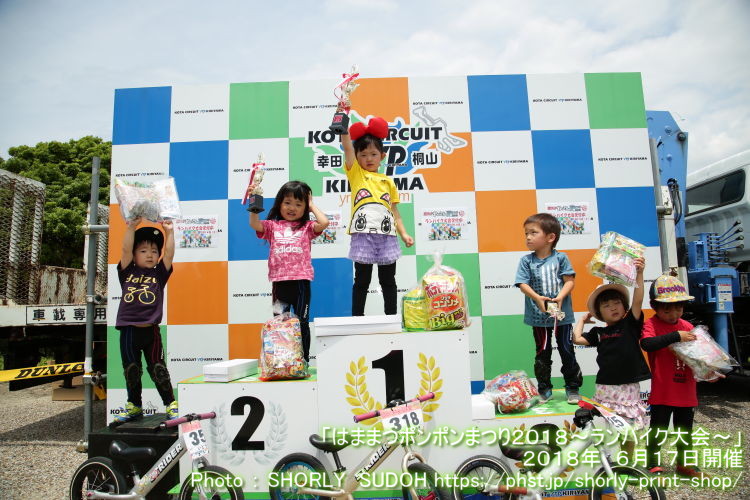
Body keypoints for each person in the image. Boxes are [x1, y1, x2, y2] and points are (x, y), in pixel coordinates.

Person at [573, 257, 650, 461]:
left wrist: (640, 274)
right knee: (610, 429)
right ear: (599, 313)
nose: (613, 307)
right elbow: (577, 338)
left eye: (617, 303)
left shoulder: (630, 324)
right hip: (605, 388)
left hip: (627, 387)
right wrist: (582, 320)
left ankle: (628, 462)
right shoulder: (598, 332)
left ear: (624, 307)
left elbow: (638, 300)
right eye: (607, 305)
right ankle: (609, 463)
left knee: (629, 428)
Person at [640, 274, 715, 478]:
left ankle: (685, 465)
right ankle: (653, 464)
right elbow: (646, 344)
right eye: (667, 308)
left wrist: (711, 371)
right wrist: (675, 336)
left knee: (685, 431)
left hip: (686, 391)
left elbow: (701, 356)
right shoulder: (652, 325)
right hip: (663, 392)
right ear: (655, 306)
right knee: (659, 431)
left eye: (678, 308)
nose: (673, 313)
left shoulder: (688, 327)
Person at [340, 116, 414, 316]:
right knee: (362, 280)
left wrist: (404, 234)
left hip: (388, 236)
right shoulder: (356, 174)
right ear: (356, 157)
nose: (369, 159)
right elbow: (347, 146)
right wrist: (342, 120)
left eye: (373, 154)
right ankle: (357, 318)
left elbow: (395, 212)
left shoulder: (388, 181)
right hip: (363, 235)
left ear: (382, 156)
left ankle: (391, 317)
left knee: (388, 280)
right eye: (363, 155)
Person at [249, 180, 329, 361]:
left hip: (301, 283)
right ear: (279, 204)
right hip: (279, 283)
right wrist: (255, 201)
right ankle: (282, 361)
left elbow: (323, 222)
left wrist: (311, 206)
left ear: (305, 208)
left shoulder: (307, 227)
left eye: (299, 204)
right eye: (287, 203)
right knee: (279, 324)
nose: (292, 208)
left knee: (302, 323)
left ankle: (304, 361)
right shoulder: (271, 226)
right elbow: (255, 224)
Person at [114, 218, 177, 423]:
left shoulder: (159, 274)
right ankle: (134, 406)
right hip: (128, 331)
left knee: (158, 369)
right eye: (143, 251)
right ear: (134, 255)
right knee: (132, 370)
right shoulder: (127, 271)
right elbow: (124, 250)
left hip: (151, 332)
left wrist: (169, 231)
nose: (149, 255)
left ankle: (170, 404)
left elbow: (169, 254)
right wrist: (131, 227)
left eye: (153, 251)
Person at [515, 213, 582, 404]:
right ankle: (544, 389)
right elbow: (522, 284)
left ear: (550, 237)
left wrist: (560, 297)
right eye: (526, 233)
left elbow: (570, 281)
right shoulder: (526, 261)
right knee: (542, 352)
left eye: (533, 233)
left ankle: (573, 387)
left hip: (562, 316)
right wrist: (536, 298)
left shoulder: (561, 258)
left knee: (567, 350)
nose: (528, 237)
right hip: (538, 317)